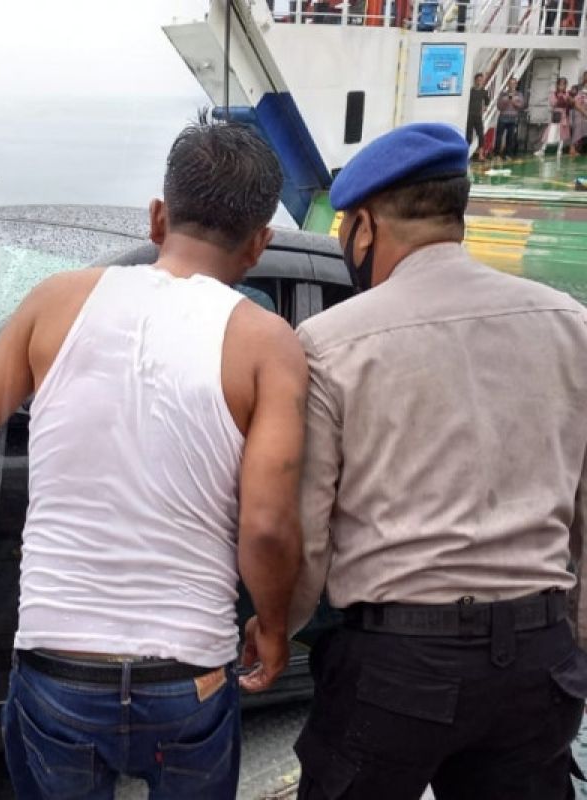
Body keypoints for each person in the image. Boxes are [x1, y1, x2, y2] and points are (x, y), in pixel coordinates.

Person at [0, 121, 306, 799]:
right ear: (260, 243)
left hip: (59, 670)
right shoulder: (268, 344)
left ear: (158, 216)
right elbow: (266, 526)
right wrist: (276, 625)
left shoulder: (57, 299)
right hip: (188, 675)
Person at [284, 122, 587, 800]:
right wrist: (574, 642)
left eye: (343, 230)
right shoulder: (571, 323)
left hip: (397, 661)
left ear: (363, 226)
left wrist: (279, 630)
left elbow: (307, 537)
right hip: (536, 656)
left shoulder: (330, 342)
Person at [494, 77, 525, 159]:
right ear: (508, 84)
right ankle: (496, 154)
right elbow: (499, 106)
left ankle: (508, 154)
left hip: (513, 118)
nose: (512, 85)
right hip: (503, 117)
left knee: (510, 137)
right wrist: (507, 101)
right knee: (499, 136)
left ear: (516, 84)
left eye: (514, 83)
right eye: (510, 83)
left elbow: (521, 106)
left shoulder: (519, 94)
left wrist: (514, 102)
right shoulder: (503, 94)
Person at [465, 72, 489, 160]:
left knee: (481, 135)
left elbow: (487, 101)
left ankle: (480, 155)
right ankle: (466, 154)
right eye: (478, 80)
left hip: (478, 116)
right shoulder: (470, 91)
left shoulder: (484, 91)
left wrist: (485, 108)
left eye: (481, 80)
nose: (479, 82)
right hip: (469, 116)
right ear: (475, 81)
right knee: (468, 136)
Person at [546, 76, 571, 155]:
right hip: (556, 114)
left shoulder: (567, 94)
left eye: (564, 85)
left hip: (563, 115)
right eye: (560, 84)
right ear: (557, 85)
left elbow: (568, 103)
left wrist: (564, 100)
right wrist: (559, 99)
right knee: (550, 132)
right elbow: (552, 103)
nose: (562, 86)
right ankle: (543, 149)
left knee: (561, 133)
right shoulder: (554, 94)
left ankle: (559, 149)